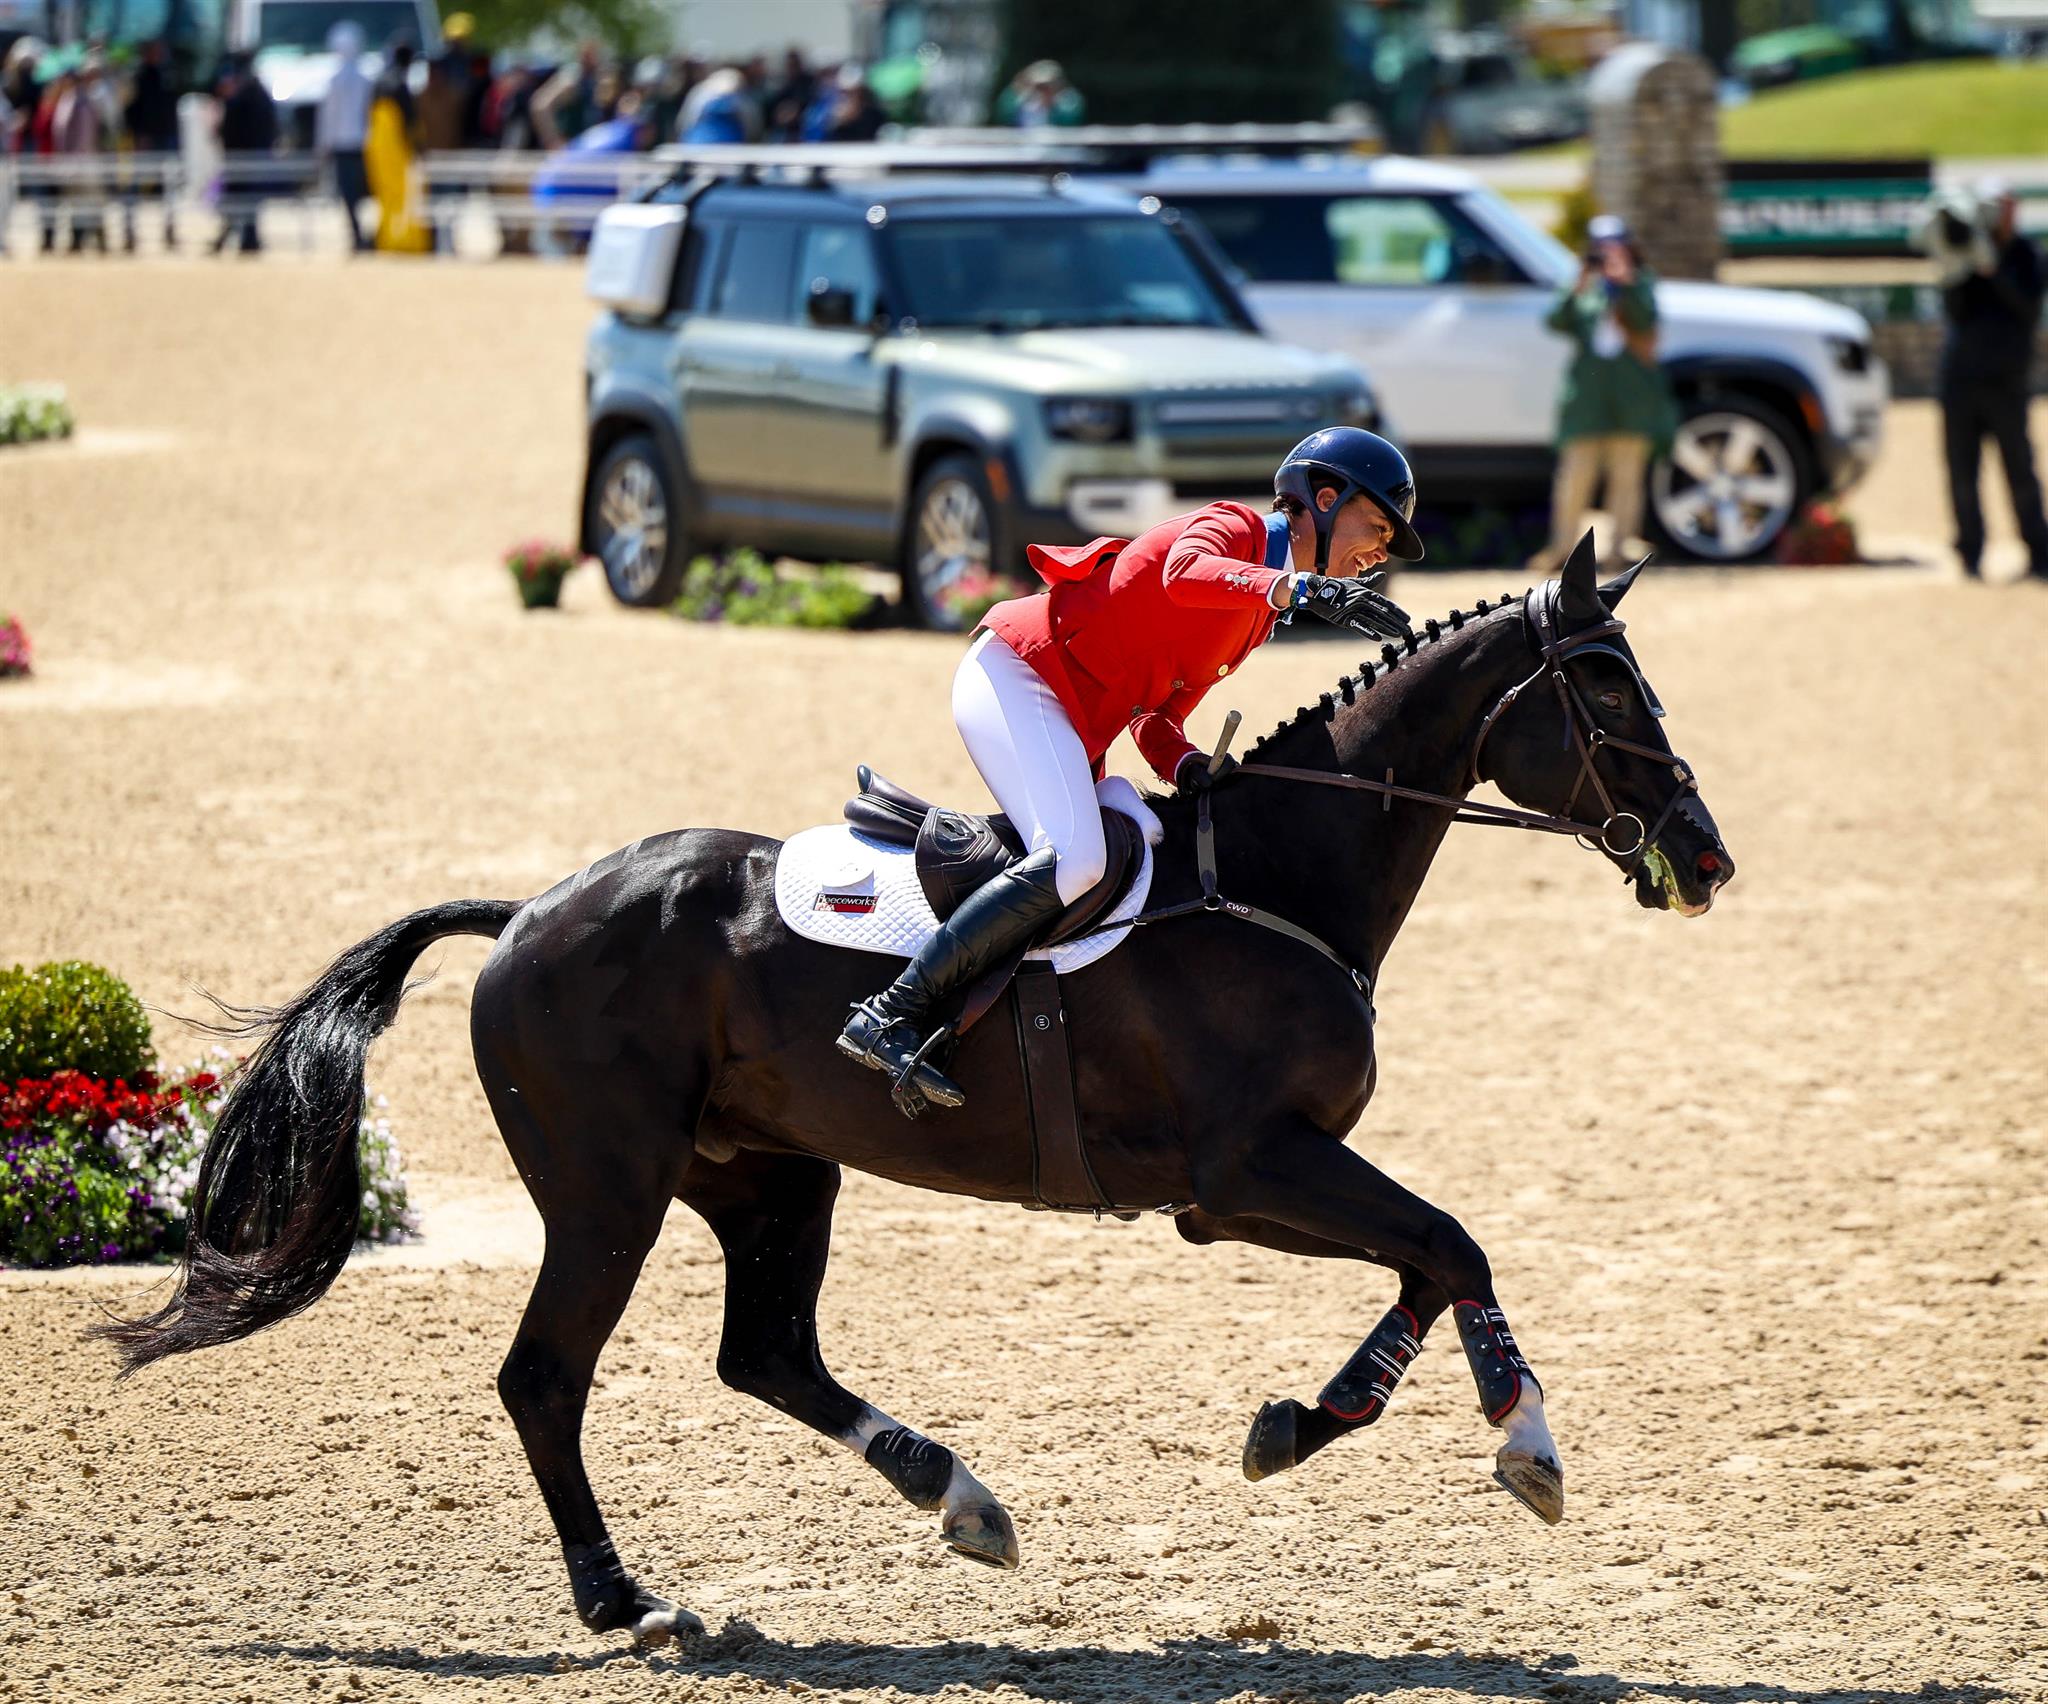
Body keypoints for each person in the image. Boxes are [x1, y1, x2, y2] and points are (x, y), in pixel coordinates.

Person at [837, 428, 1421, 1113]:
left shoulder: (1253, 622)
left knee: (1145, 832)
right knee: (1077, 859)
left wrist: (1192, 766)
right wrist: (1294, 589)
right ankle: (888, 1010)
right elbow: (1181, 572)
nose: (1380, 552)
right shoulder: (1232, 529)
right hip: (1017, 674)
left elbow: (1154, 721)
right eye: (1377, 526)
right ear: (1324, 499)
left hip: (1074, 724)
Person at [1529, 213, 1675, 575]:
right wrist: (1577, 285)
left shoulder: (1641, 283)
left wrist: (1625, 283)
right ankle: (1563, 548)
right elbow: (1555, 321)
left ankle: (1618, 551)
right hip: (1587, 402)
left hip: (1630, 401)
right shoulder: (1584, 286)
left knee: (1627, 481)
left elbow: (1646, 321)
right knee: (1574, 479)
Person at [1936, 181, 2048, 580]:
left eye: (2006, 207)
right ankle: (1970, 553)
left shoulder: (2027, 255)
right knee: (1961, 473)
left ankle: (2038, 552)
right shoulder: (1963, 251)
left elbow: (2029, 308)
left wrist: (1994, 270)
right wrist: (1961, 265)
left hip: (2007, 381)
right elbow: (1953, 310)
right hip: (1960, 381)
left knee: (2020, 470)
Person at [212, 52, 278, 254]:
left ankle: (241, 238)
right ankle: (242, 238)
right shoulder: (257, 92)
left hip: (245, 156)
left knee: (240, 199)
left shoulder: (246, 94)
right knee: (242, 200)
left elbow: (233, 128)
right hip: (251, 155)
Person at [316, 23, 373, 253]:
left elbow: (328, 117)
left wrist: (322, 145)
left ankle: (357, 233)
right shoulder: (365, 79)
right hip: (361, 142)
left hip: (342, 144)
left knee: (349, 192)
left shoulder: (335, 81)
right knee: (360, 191)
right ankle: (360, 233)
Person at [995, 59, 1085, 129]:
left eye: (1045, 87)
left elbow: (1070, 123)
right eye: (1038, 87)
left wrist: (1051, 105)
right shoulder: (1023, 102)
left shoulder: (1069, 101)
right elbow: (1005, 115)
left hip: (1060, 148)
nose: (1041, 91)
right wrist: (1019, 89)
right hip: (1023, 148)